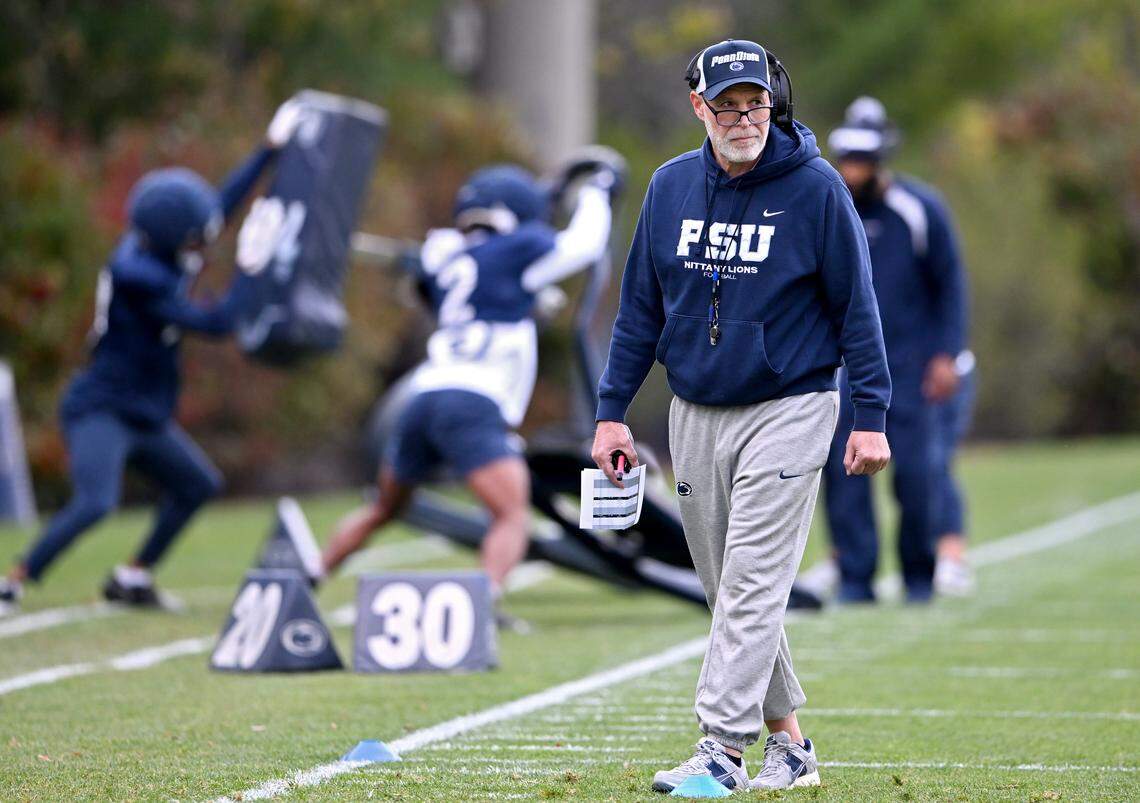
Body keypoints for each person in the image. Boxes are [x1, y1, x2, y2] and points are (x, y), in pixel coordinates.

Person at [590, 40, 891, 793]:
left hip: (792, 405)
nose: (744, 118)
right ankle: (790, 745)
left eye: (755, 103)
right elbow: (637, 314)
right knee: (729, 587)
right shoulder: (667, 189)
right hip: (696, 410)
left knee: (754, 583)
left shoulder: (818, 189)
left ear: (774, 100)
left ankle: (720, 748)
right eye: (727, 106)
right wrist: (610, 412)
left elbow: (859, 308)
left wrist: (871, 413)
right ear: (699, 107)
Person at [0, 101, 305, 617]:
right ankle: (13, 580)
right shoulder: (138, 275)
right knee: (96, 502)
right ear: (171, 237)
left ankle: (132, 576)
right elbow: (216, 323)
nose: (201, 237)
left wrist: (267, 152)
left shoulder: (158, 247)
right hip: (102, 406)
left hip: (141, 407)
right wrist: (252, 267)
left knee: (196, 485)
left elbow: (217, 211)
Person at [318, 162, 614, 624]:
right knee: (511, 516)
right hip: (473, 399)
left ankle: (309, 576)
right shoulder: (515, 249)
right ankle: (478, 611)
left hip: (423, 396)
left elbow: (461, 287)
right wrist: (598, 191)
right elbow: (584, 244)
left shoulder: (445, 258)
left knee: (383, 509)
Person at [821, 97, 968, 604]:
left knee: (921, 477)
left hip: (912, 367)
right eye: (847, 158)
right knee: (844, 478)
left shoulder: (920, 209)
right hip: (844, 368)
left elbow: (950, 285)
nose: (852, 169)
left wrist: (947, 354)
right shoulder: (829, 209)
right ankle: (856, 579)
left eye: (861, 159)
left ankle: (919, 577)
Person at [931, 348, 977, 595]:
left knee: (936, 462)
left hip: (944, 364)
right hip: (897, 363)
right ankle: (842, 559)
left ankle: (952, 557)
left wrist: (946, 355)